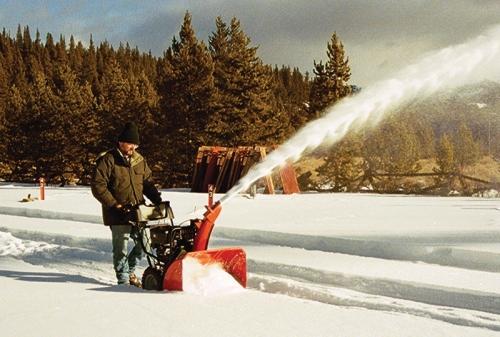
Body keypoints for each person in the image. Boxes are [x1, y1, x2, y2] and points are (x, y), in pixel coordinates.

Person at [91, 122, 163, 287]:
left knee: (145, 242)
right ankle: (123, 280)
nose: (133, 147)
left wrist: (158, 200)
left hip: (138, 211)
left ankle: (129, 270)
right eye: (130, 143)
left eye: (135, 144)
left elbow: (147, 183)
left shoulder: (139, 160)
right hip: (117, 212)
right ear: (121, 142)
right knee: (121, 248)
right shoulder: (108, 160)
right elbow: (98, 186)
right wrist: (115, 205)